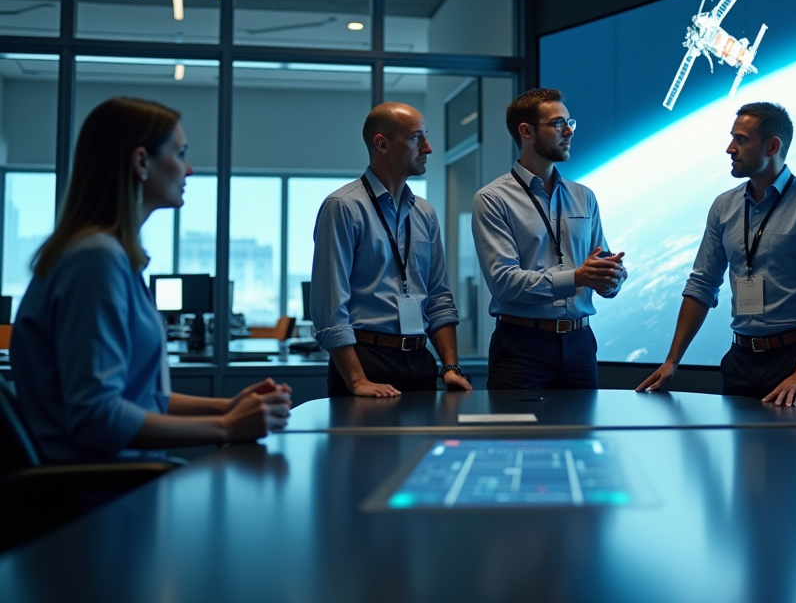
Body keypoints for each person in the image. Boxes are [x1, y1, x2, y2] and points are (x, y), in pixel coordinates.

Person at [9, 98, 290, 463]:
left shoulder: (111, 256)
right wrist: (227, 427)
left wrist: (227, 407)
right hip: (101, 487)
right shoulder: (96, 259)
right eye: (180, 153)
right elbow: (96, 416)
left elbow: (141, 398)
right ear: (142, 162)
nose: (189, 169)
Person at [636, 103, 796, 417]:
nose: (729, 148)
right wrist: (672, 361)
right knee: (739, 449)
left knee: (793, 449)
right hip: (740, 360)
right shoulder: (724, 206)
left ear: (772, 146)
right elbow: (701, 285)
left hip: (793, 361)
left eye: (741, 140)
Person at [311, 103, 471, 397]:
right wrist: (357, 381)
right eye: (416, 137)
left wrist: (451, 367)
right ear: (382, 144)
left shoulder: (424, 212)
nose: (428, 147)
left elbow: (438, 298)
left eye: (426, 136)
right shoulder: (343, 207)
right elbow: (330, 308)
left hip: (420, 360)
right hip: (367, 360)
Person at [472, 88, 626, 389]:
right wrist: (578, 277)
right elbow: (504, 283)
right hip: (522, 346)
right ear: (526, 131)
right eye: (558, 124)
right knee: (518, 422)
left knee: (584, 422)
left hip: (581, 343)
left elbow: (601, 262)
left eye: (570, 123)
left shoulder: (584, 196)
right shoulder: (493, 199)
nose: (569, 131)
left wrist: (612, 277)